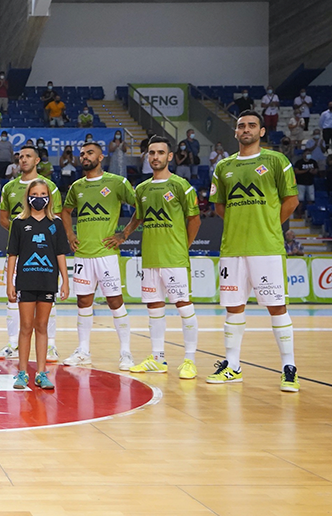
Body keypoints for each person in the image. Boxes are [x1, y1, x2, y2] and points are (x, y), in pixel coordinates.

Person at [208, 110, 299, 391]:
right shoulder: (223, 167)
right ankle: (232, 365)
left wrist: (269, 225)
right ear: (235, 132)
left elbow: (292, 201)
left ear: (261, 131)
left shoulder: (276, 161)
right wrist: (242, 224)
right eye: (240, 126)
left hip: (267, 248)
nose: (245, 129)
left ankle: (289, 367)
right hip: (233, 248)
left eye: (251, 125)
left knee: (276, 306)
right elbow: (219, 206)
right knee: (234, 308)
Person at [114, 136, 202, 379]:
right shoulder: (141, 189)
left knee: (184, 307)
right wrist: (124, 234)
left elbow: (194, 220)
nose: (155, 157)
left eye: (160, 153)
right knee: (154, 308)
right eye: (151, 153)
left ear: (169, 156)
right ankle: (158, 358)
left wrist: (183, 247)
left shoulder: (181, 185)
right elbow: (138, 218)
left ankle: (190, 360)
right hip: (150, 258)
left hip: (174, 258)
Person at [60, 141, 137, 370]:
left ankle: (126, 353)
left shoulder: (117, 182)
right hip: (83, 254)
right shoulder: (76, 186)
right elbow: (66, 211)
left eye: (89, 153)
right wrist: (70, 234)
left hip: (107, 254)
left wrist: (124, 234)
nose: (85, 157)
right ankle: (83, 351)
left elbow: (139, 208)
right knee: (83, 302)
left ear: (101, 157)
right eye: (82, 154)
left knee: (115, 301)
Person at [0, 146, 63, 362]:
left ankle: (50, 345)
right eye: (20, 156)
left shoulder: (49, 186)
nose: (23, 159)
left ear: (37, 160)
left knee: (47, 295)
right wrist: (22, 236)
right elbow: (4, 218)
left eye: (28, 156)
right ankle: (12, 342)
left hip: (44, 252)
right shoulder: (9, 187)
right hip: (19, 250)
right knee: (13, 297)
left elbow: (55, 220)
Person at [6, 180, 70, 390]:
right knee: (25, 327)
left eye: (43, 193)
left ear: (49, 198)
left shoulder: (56, 223)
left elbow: (60, 253)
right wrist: (10, 283)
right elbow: (12, 255)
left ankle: (41, 373)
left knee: (41, 327)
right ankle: (22, 373)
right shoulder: (18, 223)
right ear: (28, 196)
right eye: (35, 193)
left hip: (47, 281)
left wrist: (65, 281)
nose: (39, 197)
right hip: (26, 280)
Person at [293, 147, 319, 217]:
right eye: (307, 153)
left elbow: (316, 171)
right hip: (300, 184)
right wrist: (306, 171)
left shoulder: (313, 162)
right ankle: (299, 214)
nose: (308, 155)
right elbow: (296, 171)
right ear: (303, 154)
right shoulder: (299, 162)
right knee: (300, 200)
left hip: (310, 183)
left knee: (310, 200)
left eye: (309, 153)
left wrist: (312, 171)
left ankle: (310, 215)